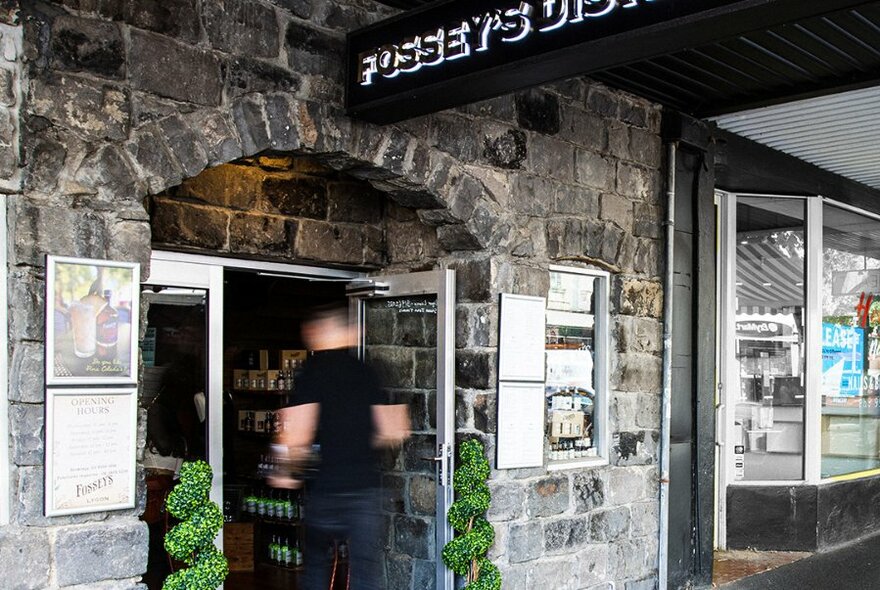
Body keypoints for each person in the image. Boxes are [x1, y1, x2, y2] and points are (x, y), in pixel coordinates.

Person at [270, 305, 410, 590]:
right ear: (348, 334)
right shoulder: (368, 371)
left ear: (316, 334)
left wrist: (285, 472)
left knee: (317, 567)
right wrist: (363, 441)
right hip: (364, 488)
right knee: (364, 571)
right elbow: (395, 430)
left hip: (326, 489)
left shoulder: (310, 373)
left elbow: (296, 431)